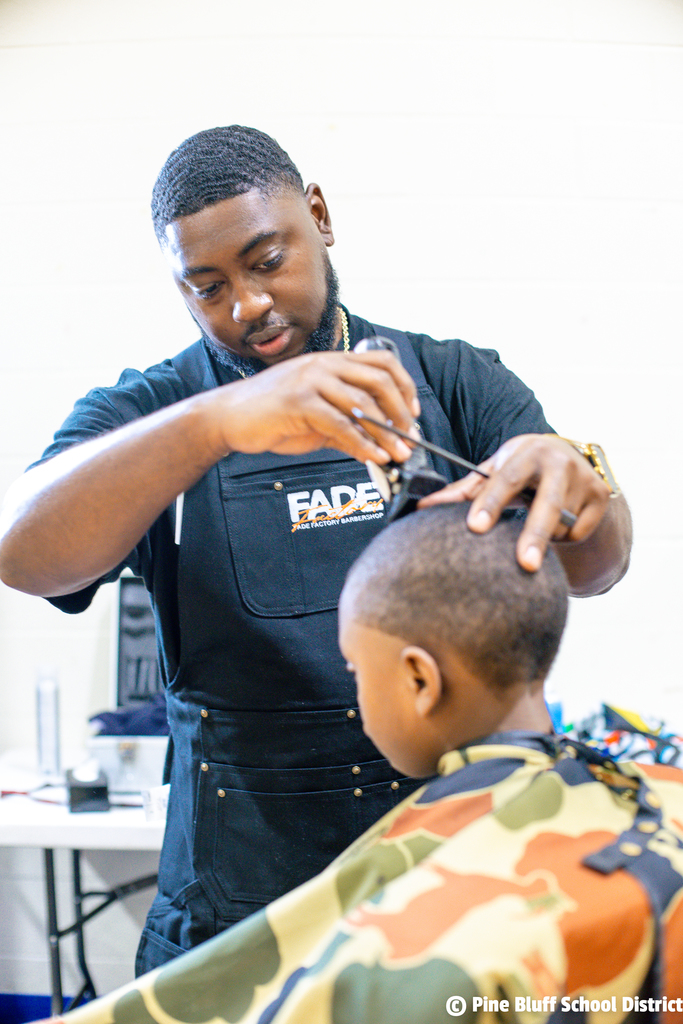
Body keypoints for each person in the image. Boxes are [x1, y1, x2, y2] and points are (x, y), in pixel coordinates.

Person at [0, 126, 632, 973]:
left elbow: (597, 569)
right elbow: (22, 550)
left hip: (448, 898)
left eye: (267, 261)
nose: (247, 306)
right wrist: (214, 424)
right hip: (238, 919)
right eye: (207, 286)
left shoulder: (453, 381)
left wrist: (582, 480)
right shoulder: (153, 414)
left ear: (320, 217)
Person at [44, 507, 682, 1024]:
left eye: (355, 669)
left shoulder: (410, 936)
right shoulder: (660, 791)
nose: (353, 689)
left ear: (417, 680)